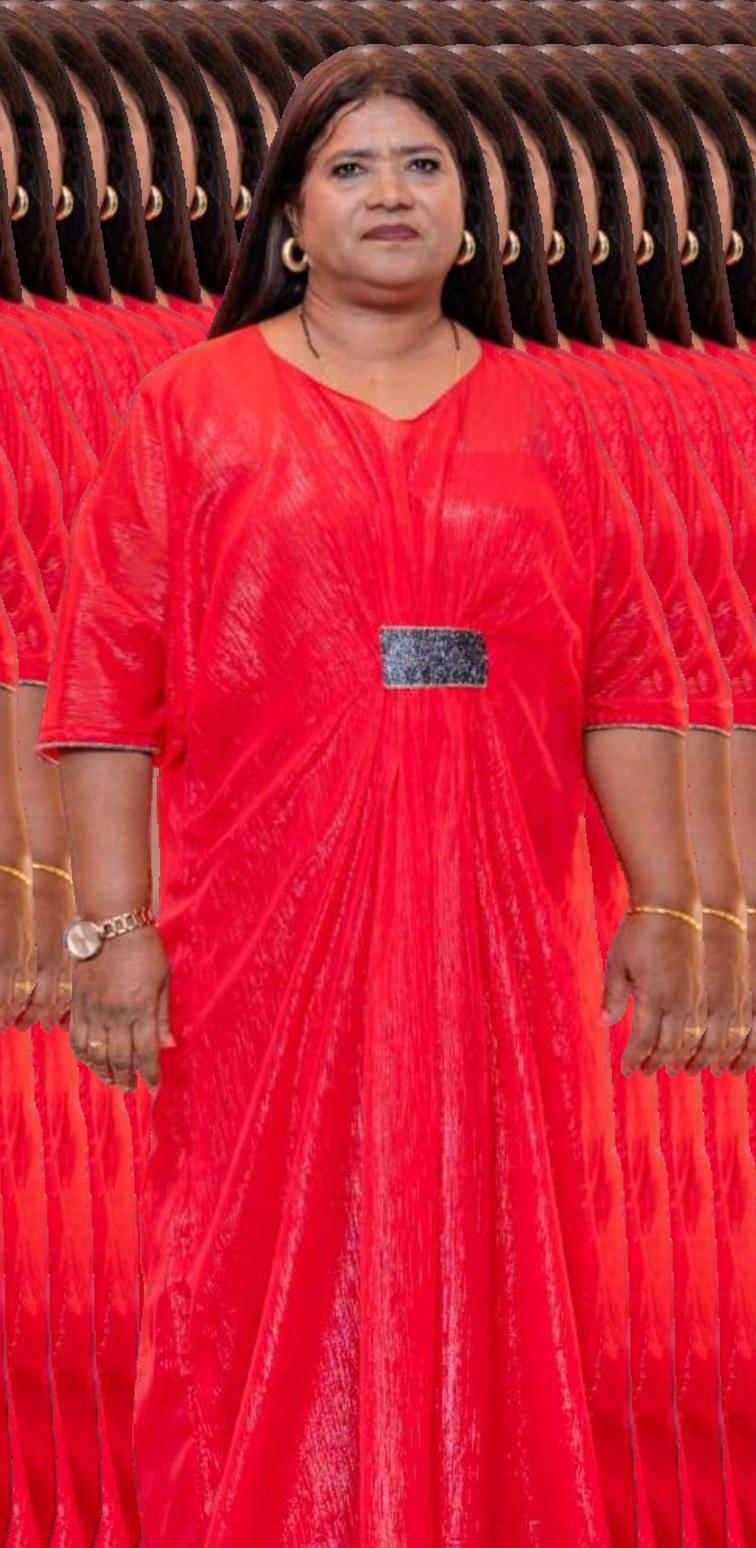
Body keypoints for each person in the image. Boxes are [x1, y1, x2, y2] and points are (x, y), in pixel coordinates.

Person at [40, 48, 707, 1547]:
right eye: (350, 167)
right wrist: (112, 931)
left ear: (473, 217)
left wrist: (667, 901)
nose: (390, 193)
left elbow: (622, 675)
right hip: (260, 936)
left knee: (493, 1240)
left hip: (496, 938)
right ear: (289, 219)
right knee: (254, 1259)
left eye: (422, 167)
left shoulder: (555, 416)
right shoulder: (191, 407)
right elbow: (101, 692)